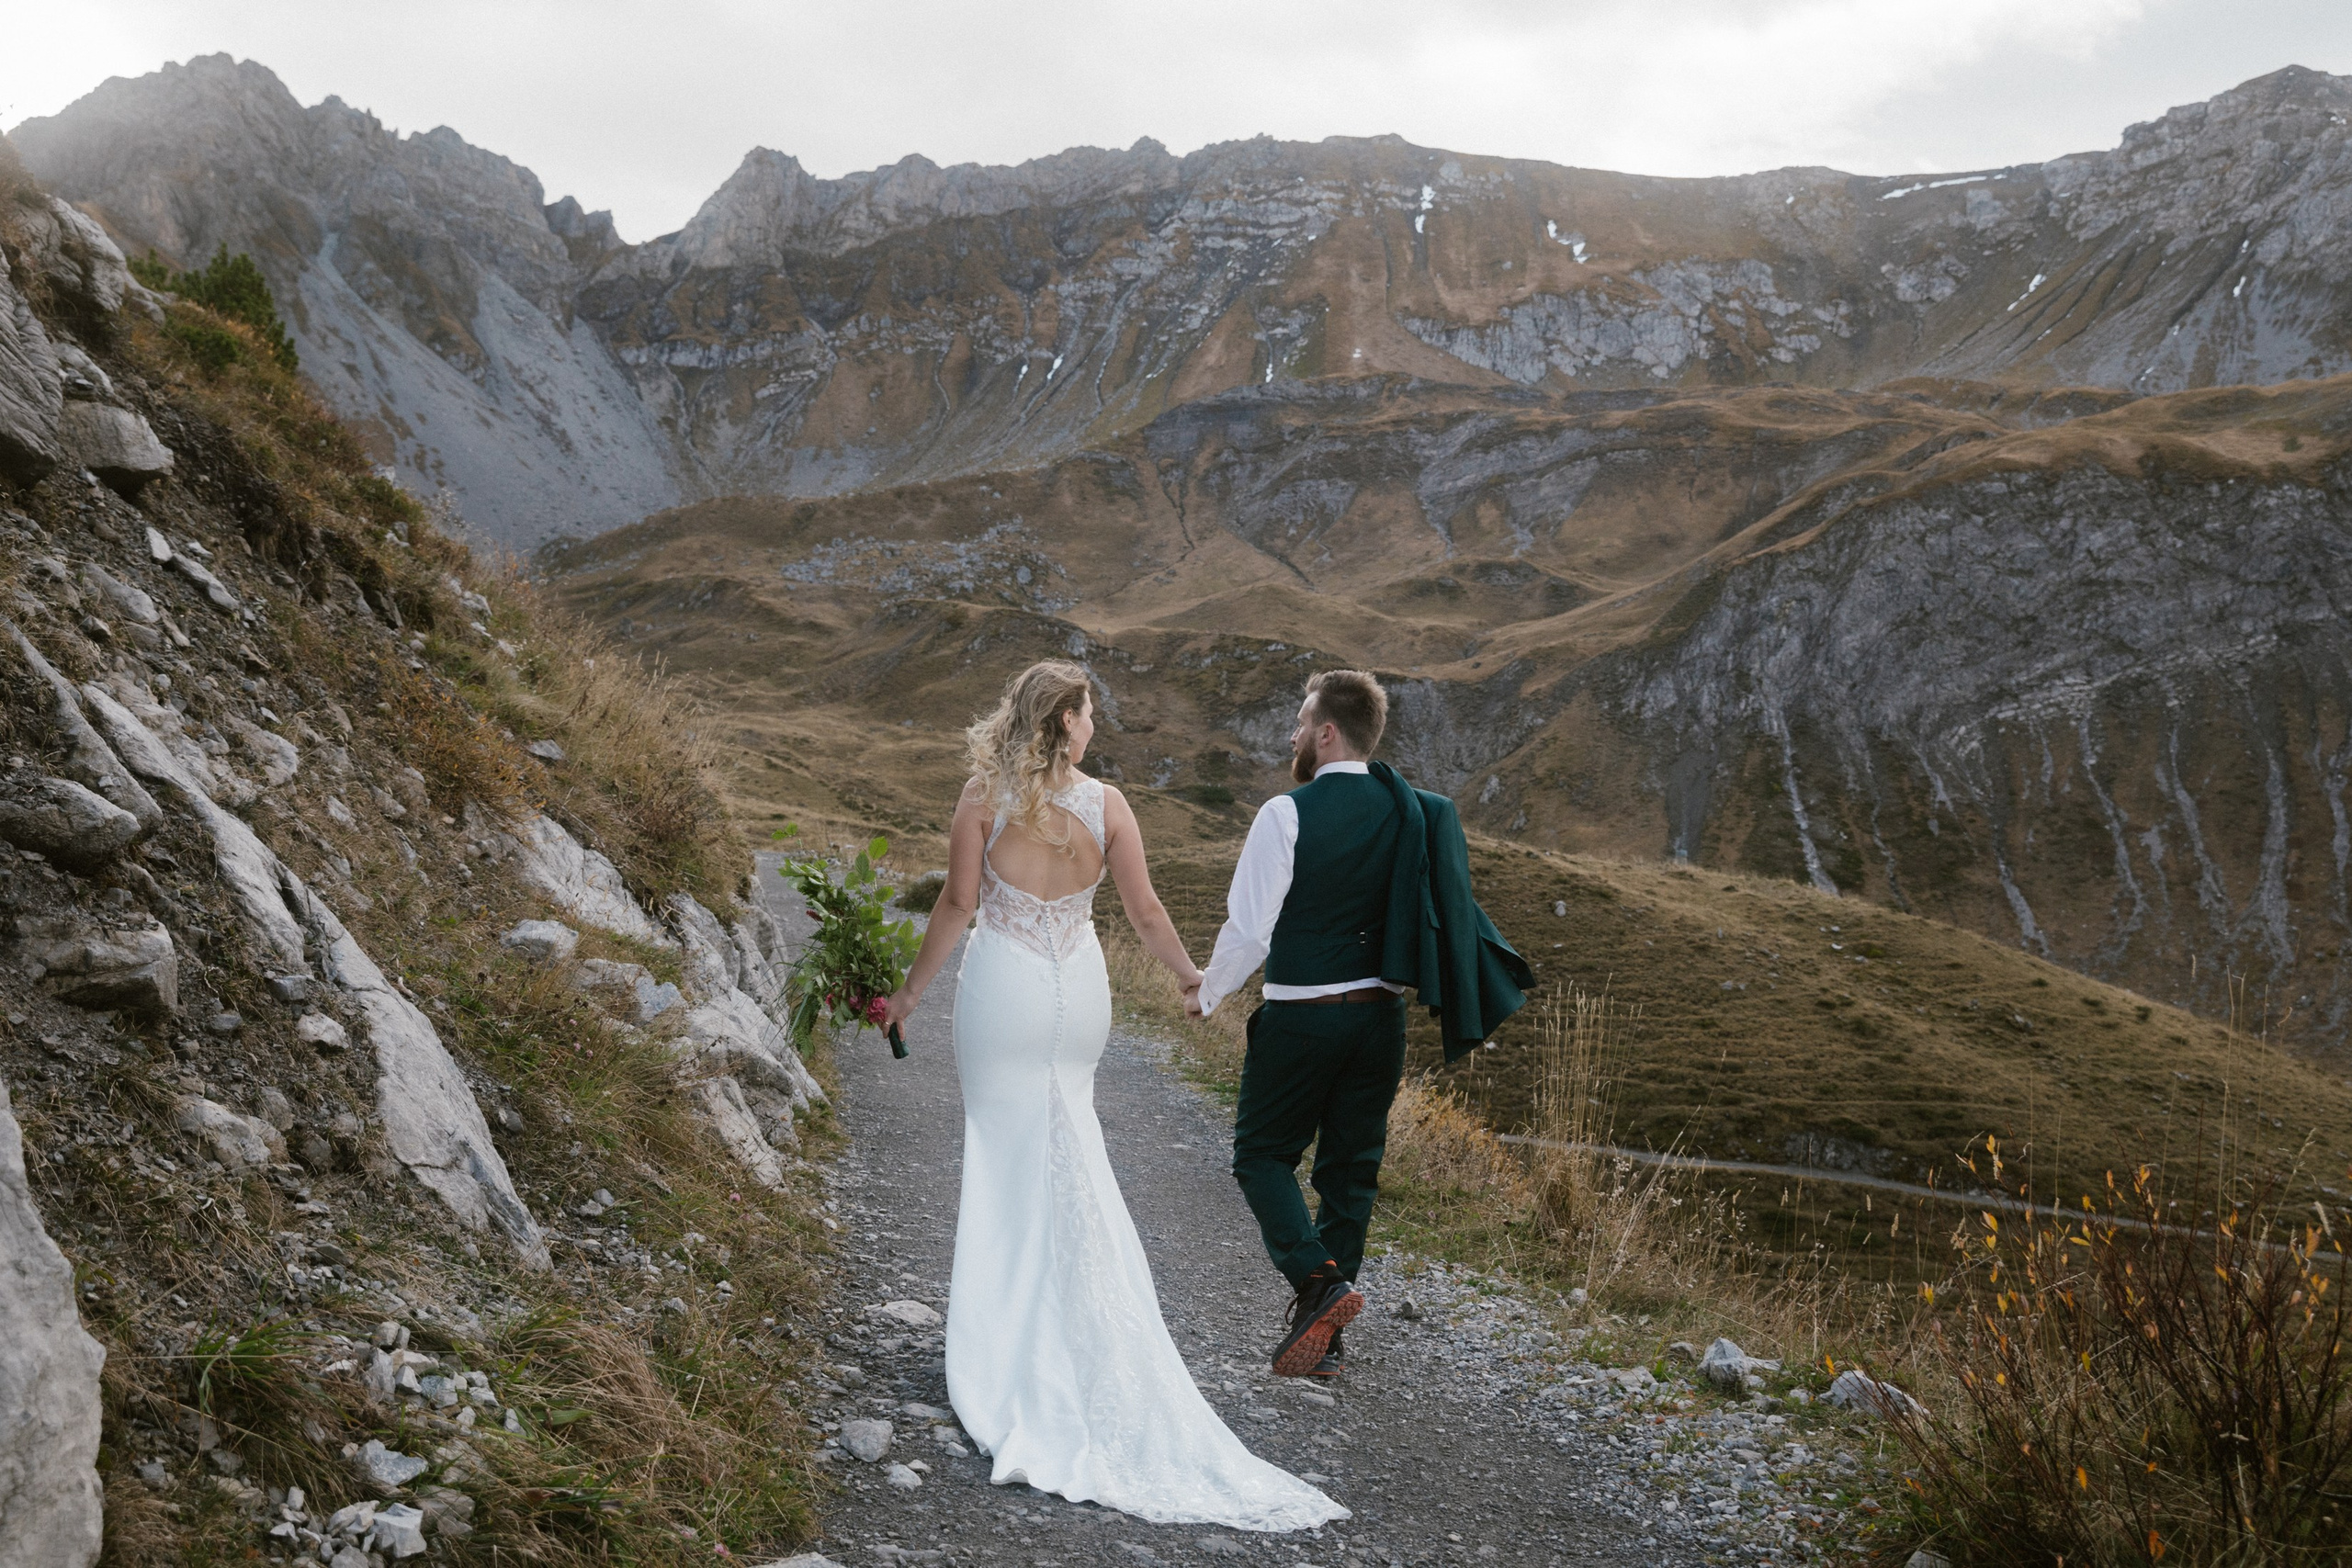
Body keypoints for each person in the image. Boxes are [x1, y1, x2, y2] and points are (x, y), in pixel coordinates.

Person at [881, 660, 1344, 1530]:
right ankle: (1084, 1325)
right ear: (1064, 720)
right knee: (1073, 1147)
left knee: (1007, 1154)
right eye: (1089, 711)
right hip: (1078, 992)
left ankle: (1006, 1341)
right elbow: (1146, 913)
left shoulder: (983, 798)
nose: (1095, 724)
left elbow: (957, 903)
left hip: (1006, 989)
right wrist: (1194, 980)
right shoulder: (1109, 806)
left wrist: (908, 995)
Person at [1185, 671, 1418, 1380]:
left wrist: (1207, 992)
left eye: (1300, 721)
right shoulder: (1411, 810)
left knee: (1261, 1154)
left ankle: (1319, 1283)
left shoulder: (1286, 813)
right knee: (1350, 1174)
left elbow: (1250, 929)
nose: (1292, 735)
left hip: (1304, 1015)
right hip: (1382, 1019)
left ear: (1327, 732)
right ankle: (1328, 1336)